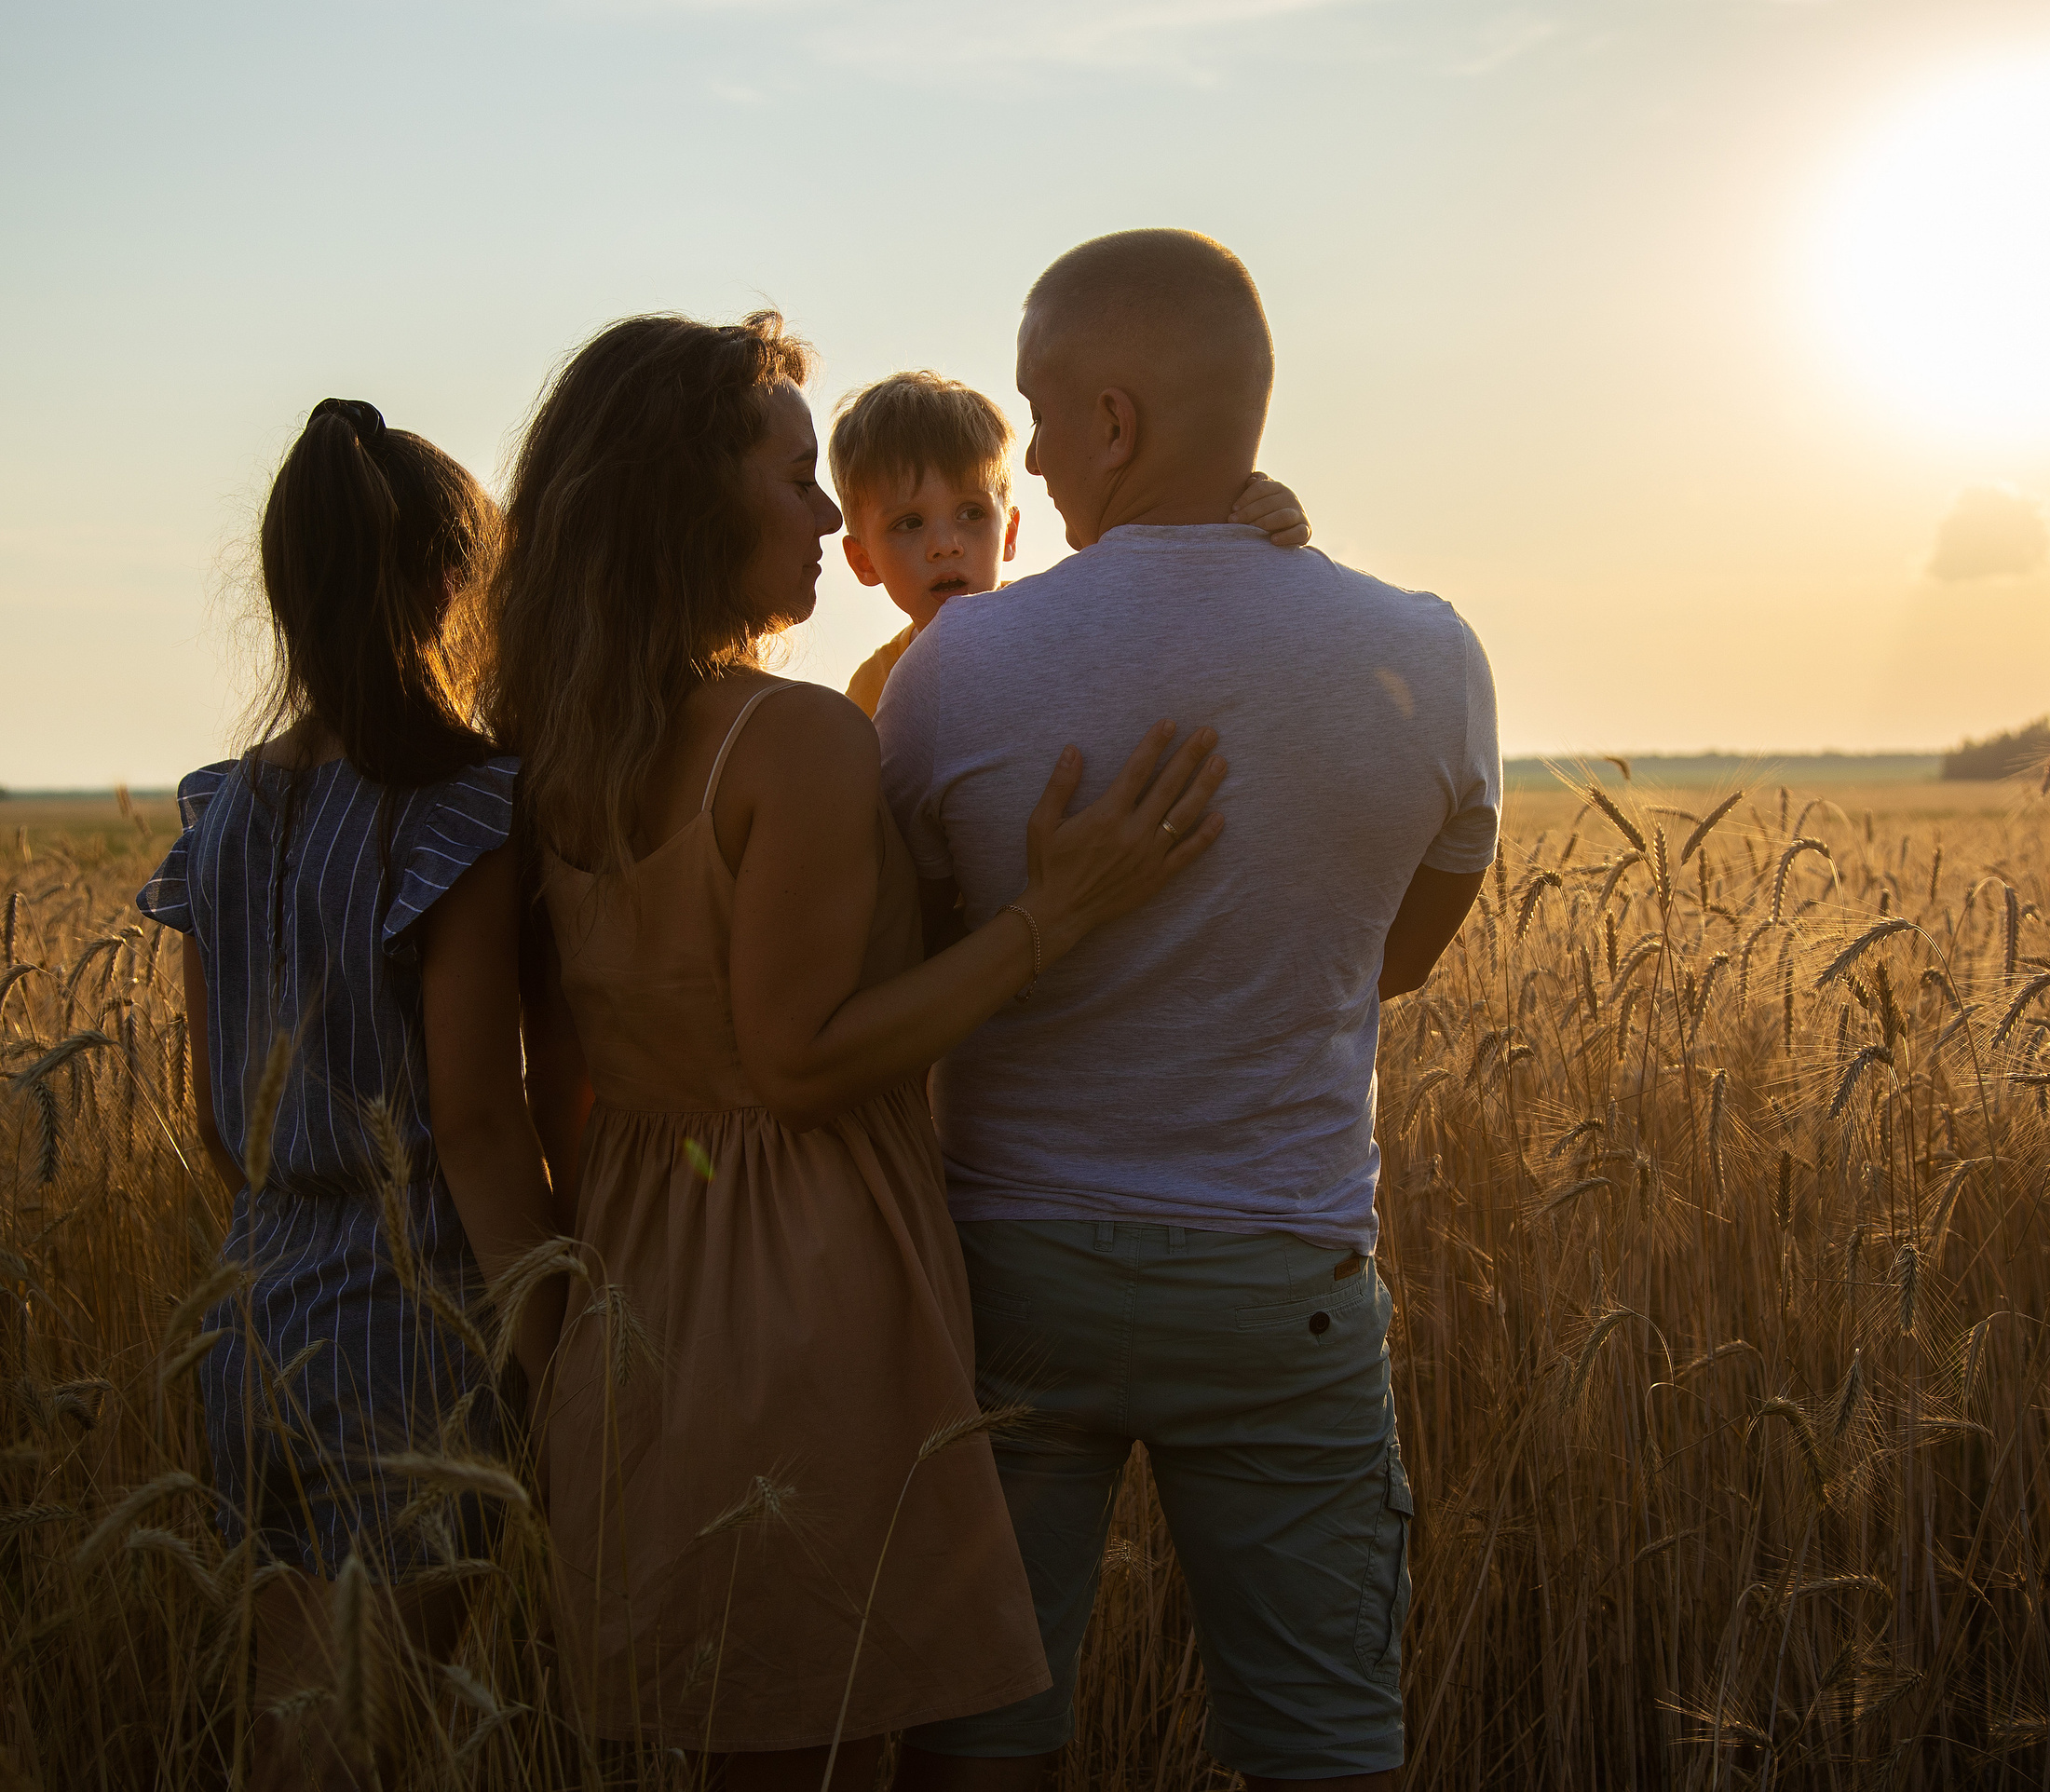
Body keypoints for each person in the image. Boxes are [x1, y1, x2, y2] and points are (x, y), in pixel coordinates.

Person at [487, 309, 1229, 1790]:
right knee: (824, 1749)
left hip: (630, 1284)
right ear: (688, 498)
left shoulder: (555, 744)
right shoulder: (792, 744)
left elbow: (556, 1077)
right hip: (814, 1291)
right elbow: (801, 1061)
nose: (831, 511)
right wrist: (1054, 917)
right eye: (792, 476)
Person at [876, 229, 1501, 1791]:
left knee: (982, 1735)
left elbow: (907, 961)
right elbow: (1396, 957)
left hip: (1011, 1271)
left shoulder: (955, 667)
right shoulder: (1430, 655)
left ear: (1113, 420)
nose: (1021, 458)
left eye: (1033, 413)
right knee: (1325, 1745)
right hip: (1281, 1274)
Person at [137, 399, 562, 1790]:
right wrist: (553, 1345)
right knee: (387, 1733)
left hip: (255, 1305)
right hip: (413, 1318)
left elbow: (215, 1113)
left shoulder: (224, 811)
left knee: (293, 1720)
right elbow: (479, 1121)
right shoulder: (461, 809)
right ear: (453, 586)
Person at [829, 369, 1310, 718]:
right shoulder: (875, 690)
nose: (945, 544)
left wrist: (1248, 516)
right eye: (909, 523)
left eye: (972, 514)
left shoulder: (1064, 622)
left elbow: (1180, 607)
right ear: (863, 560)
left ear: (1010, 534)